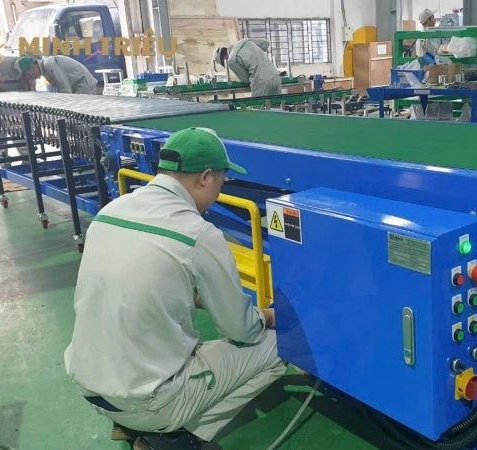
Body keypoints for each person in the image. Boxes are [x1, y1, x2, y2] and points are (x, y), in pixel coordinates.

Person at [64, 127, 285, 450]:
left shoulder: (110, 212)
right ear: (205, 177)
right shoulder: (197, 233)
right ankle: (175, 438)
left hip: (89, 384)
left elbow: (139, 286)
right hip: (146, 400)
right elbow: (241, 330)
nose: (219, 191)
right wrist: (266, 316)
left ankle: (128, 425)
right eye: (222, 181)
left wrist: (198, 298)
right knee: (279, 347)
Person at [214, 39, 282, 97]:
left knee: (258, 107)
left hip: (261, 82)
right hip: (276, 76)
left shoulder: (231, 60)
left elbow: (246, 80)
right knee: (278, 105)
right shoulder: (244, 41)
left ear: (223, 59)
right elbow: (265, 43)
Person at [15, 55, 98, 94]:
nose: (31, 78)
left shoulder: (49, 65)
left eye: (29, 75)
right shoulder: (45, 71)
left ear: (32, 67)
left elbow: (65, 90)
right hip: (78, 87)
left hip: (84, 85)